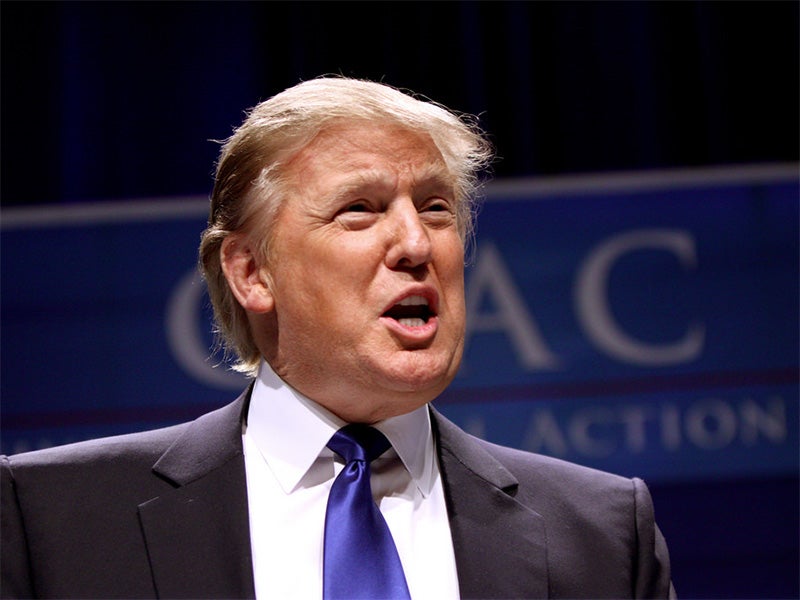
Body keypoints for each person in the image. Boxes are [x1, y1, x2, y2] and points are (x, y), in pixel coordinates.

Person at [1, 76, 675, 599]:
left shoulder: (602, 534)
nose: (417, 243)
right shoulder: (52, 521)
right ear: (252, 271)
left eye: (436, 207)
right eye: (361, 209)